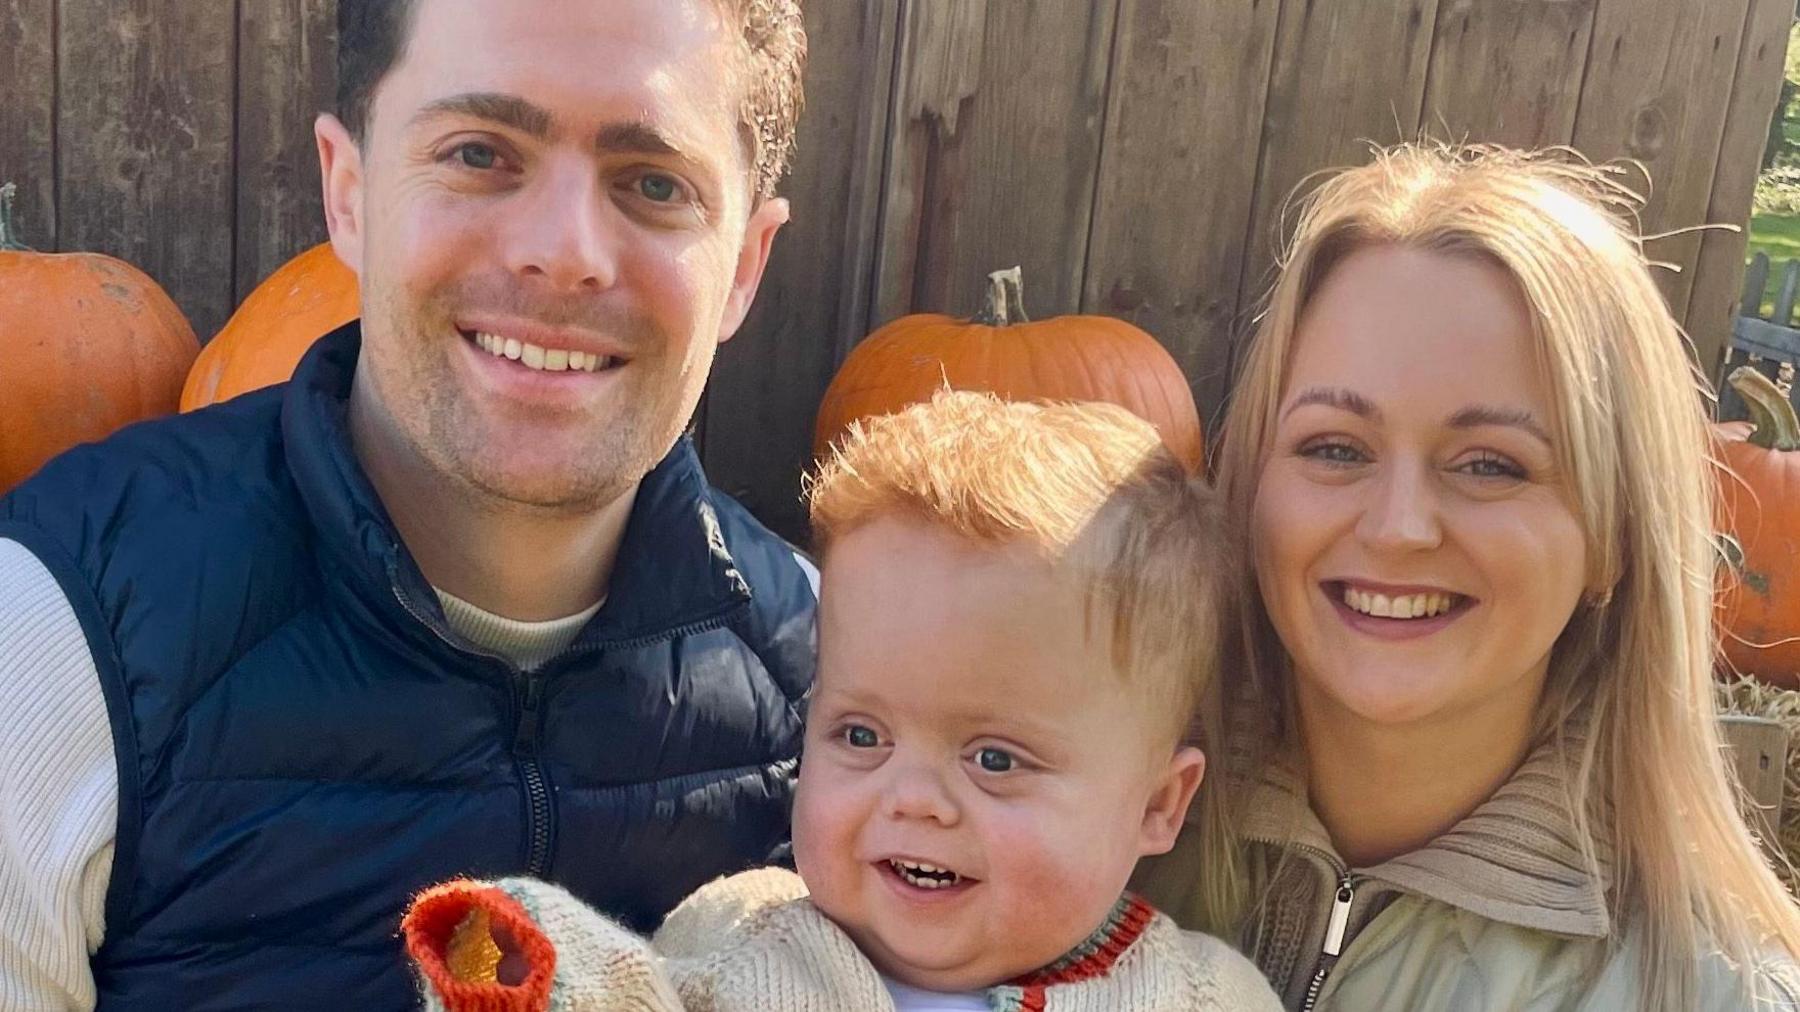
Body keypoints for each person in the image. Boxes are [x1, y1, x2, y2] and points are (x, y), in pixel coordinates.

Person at [0, 0, 819, 1007]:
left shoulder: (835, 688)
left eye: (654, 183)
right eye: (479, 153)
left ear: (743, 267)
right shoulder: (54, 640)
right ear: (349, 194)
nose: (563, 252)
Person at [1132, 142, 1800, 1010]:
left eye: (1491, 465)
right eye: (1335, 448)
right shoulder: (1061, 852)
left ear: (1613, 535)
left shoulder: (1712, 994)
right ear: (1254, 481)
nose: (1398, 527)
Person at [396, 391, 1282, 1011]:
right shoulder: (743, 938)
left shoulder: (1205, 995)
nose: (914, 799)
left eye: (995, 758)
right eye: (860, 733)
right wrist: (525, 969)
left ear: (1159, 805)